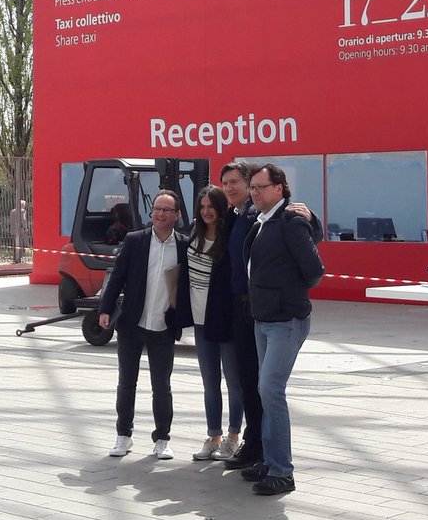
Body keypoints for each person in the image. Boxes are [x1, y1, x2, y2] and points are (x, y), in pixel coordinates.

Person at [218, 161, 322, 475]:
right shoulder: (254, 219)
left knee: (268, 389)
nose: (251, 192)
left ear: (278, 188)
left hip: (281, 317)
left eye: (254, 186)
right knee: (257, 386)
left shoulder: (281, 218)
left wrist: (282, 296)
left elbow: (312, 267)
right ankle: (265, 457)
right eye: (252, 188)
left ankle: (277, 467)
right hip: (257, 314)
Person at [98, 189, 192, 460]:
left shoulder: (185, 246)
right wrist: (106, 308)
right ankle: (123, 436)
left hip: (163, 325)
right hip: (131, 323)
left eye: (166, 210)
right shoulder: (135, 240)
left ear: (176, 215)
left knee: (161, 385)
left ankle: (162, 438)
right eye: (157, 209)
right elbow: (118, 276)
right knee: (126, 382)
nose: (160, 214)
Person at [186, 184, 242, 461]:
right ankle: (213, 436)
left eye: (211, 206)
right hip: (199, 321)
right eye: (202, 206)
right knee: (210, 382)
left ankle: (233, 437)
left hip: (225, 319)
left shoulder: (230, 235)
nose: (206, 212)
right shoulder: (193, 234)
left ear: (221, 208)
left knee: (233, 381)